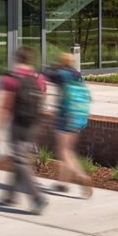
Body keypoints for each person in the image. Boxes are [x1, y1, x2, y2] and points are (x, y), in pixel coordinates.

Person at [0, 45, 49, 213]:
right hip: (34, 123)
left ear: (16, 59)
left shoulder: (11, 78)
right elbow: (43, 98)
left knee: (20, 160)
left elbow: (4, 106)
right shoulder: (39, 77)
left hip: (17, 123)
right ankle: (9, 196)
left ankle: (37, 198)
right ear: (30, 60)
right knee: (20, 158)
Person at [47, 51, 94, 197]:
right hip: (80, 115)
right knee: (68, 149)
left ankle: (82, 177)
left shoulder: (61, 74)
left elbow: (44, 74)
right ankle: (63, 183)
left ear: (62, 62)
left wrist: (55, 66)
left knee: (63, 151)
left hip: (65, 116)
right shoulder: (77, 75)